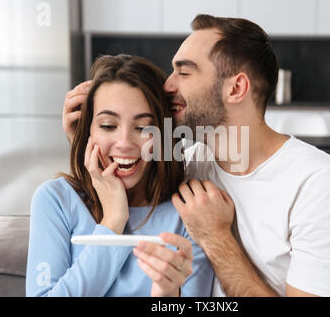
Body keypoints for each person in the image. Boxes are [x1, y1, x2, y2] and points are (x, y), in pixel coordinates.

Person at [63, 15, 330, 297]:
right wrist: (85, 139)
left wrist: (216, 238)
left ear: (235, 88)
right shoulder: (191, 160)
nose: (167, 85)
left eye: (183, 72)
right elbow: (125, 177)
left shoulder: (319, 184)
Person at [26, 54, 214, 297]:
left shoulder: (190, 210)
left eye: (143, 128)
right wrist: (113, 220)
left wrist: (167, 295)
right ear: (88, 130)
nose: (125, 143)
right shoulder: (56, 200)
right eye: (107, 126)